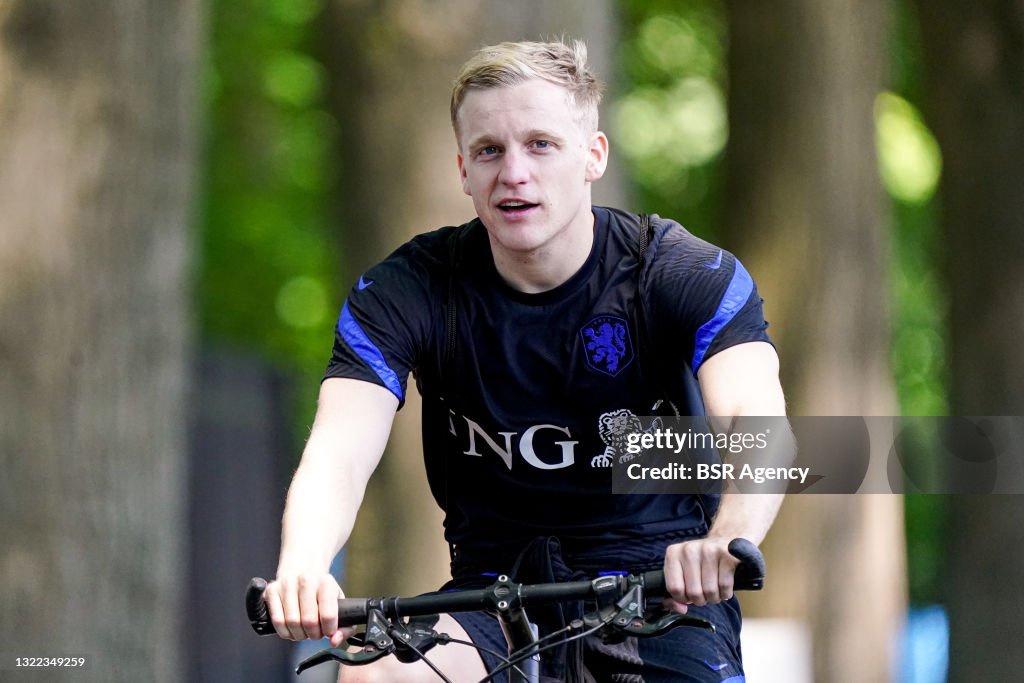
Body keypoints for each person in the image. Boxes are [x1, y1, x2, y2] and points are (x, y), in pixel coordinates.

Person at [263, 39, 787, 682]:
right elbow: (339, 449)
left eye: (540, 144)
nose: (514, 173)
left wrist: (723, 541)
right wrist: (304, 564)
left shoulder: (679, 271)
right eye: (489, 150)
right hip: (492, 594)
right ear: (463, 169)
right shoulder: (406, 290)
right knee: (377, 673)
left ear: (592, 156)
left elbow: (757, 421)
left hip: (658, 591)